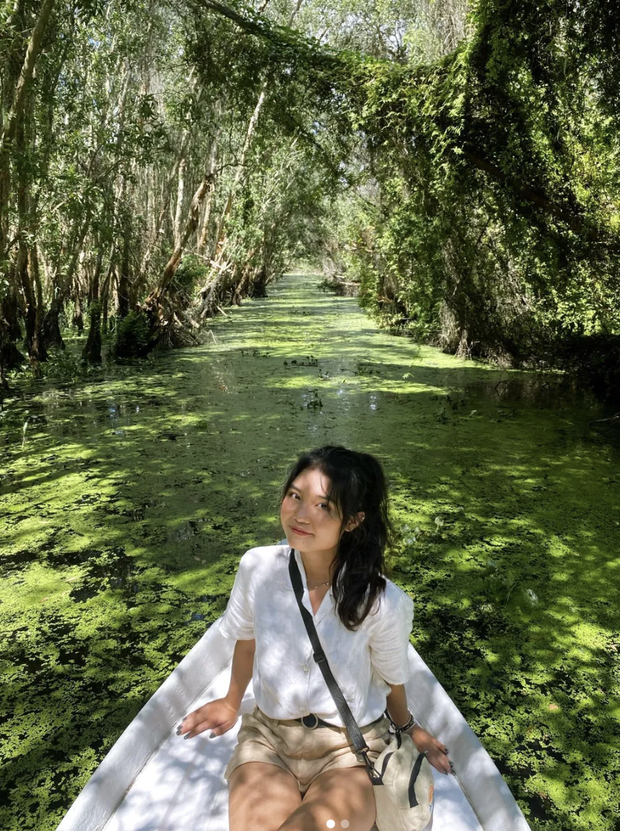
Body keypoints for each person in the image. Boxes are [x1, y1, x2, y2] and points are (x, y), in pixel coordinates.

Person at [178, 446, 451, 831]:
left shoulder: (383, 601)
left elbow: (392, 677)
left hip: (348, 749)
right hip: (269, 738)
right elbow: (247, 638)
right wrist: (230, 700)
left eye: (324, 506)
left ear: (353, 521)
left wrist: (407, 727)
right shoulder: (256, 568)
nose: (302, 515)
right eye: (295, 496)